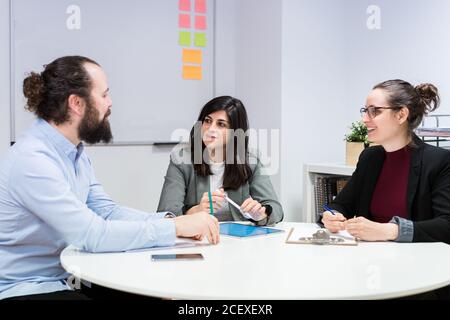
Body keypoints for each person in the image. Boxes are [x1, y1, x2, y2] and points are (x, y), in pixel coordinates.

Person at [0, 56, 219, 300]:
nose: (110, 103)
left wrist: (171, 221)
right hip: (28, 287)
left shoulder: (74, 152)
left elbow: (106, 211)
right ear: (76, 103)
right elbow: (91, 234)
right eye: (104, 95)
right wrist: (174, 227)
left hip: (69, 277)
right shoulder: (33, 160)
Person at [321, 79, 450, 244]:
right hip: (370, 261)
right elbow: (342, 205)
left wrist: (389, 230)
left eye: (374, 111)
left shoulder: (439, 161)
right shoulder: (370, 157)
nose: (365, 119)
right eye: (365, 111)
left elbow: (446, 225)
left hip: (418, 262)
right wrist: (331, 216)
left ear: (401, 115)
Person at [157, 96, 283, 226]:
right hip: (197, 240)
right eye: (207, 121)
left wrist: (260, 214)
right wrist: (197, 210)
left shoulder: (250, 161)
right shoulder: (181, 160)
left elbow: (276, 209)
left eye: (221, 124)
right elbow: (165, 214)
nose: (211, 129)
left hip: (238, 241)